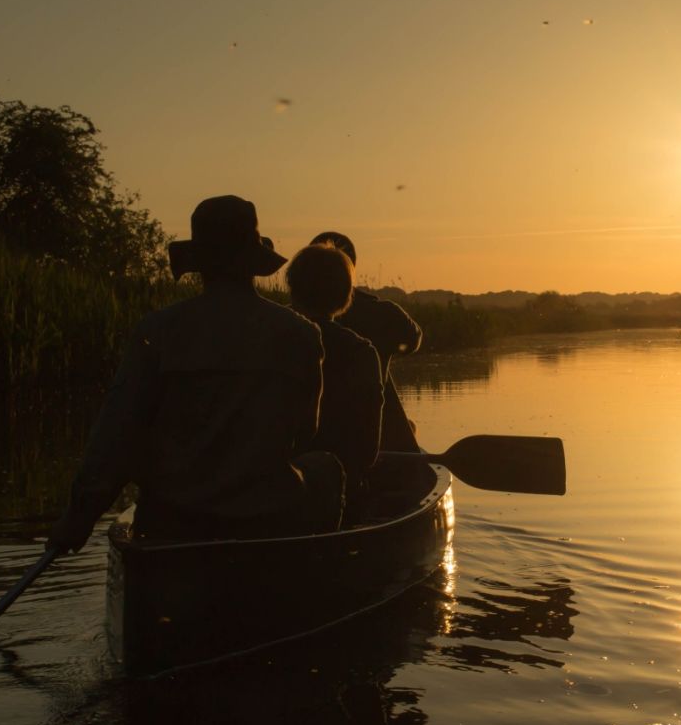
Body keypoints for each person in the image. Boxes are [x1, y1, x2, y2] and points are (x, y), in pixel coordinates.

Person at [48, 195, 340, 553]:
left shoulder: (157, 329)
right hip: (267, 515)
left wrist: (78, 518)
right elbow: (303, 434)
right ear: (252, 262)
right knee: (325, 468)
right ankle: (317, 571)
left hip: (173, 519)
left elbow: (117, 434)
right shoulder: (301, 334)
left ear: (201, 263)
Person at [284, 243, 384, 502]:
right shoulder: (361, 352)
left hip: (269, 487)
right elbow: (367, 452)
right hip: (340, 492)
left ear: (293, 289)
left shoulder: (266, 338)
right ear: (344, 295)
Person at [308, 231, 423, 452]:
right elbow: (413, 340)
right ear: (351, 270)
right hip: (374, 441)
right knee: (408, 428)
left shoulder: (285, 320)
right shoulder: (384, 313)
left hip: (309, 445)